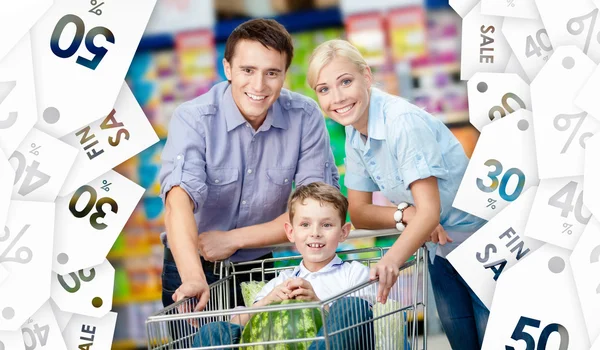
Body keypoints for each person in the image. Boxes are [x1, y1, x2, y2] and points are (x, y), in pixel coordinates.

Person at [306, 39, 489, 350]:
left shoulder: (401, 122)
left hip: (484, 246)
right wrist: (405, 213)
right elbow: (360, 212)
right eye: (324, 89)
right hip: (439, 250)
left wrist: (391, 258)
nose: (336, 98)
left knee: (495, 339)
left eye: (345, 82)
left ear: (366, 76)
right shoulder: (354, 132)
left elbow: (430, 211)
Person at [158, 18, 339, 331]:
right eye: (248, 70)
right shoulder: (194, 118)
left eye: (272, 73)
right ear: (227, 68)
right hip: (191, 260)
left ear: (285, 74)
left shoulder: (305, 116)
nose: (258, 86)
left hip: (259, 267)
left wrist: (232, 239)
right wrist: (193, 277)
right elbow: (178, 200)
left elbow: (316, 212)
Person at [193, 182, 374, 349]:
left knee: (353, 306)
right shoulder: (282, 282)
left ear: (343, 232)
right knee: (214, 330)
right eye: (305, 224)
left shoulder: (355, 274)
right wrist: (268, 301)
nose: (315, 233)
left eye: (326, 225)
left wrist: (318, 305)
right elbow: (238, 325)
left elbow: (362, 324)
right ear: (290, 232)